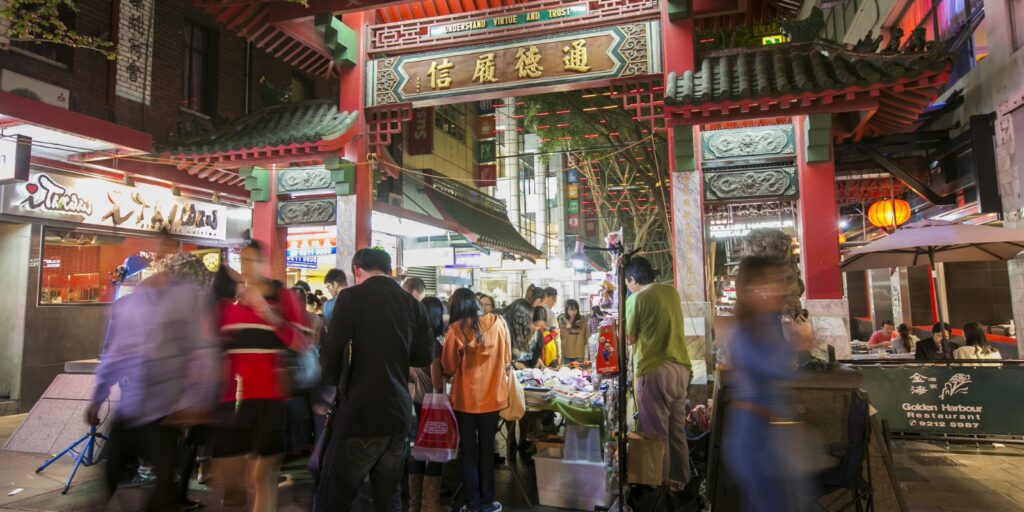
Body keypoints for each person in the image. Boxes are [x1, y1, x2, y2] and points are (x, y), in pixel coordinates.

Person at [86, 249, 219, 512]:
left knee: (161, 485)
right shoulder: (139, 302)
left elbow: (201, 352)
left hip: (162, 409)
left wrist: (194, 399)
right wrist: (97, 397)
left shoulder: (183, 304)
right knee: (113, 477)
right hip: (136, 407)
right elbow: (117, 353)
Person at [313, 248, 434, 512]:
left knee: (332, 497)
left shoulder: (351, 298)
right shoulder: (412, 304)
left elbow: (331, 354)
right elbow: (423, 355)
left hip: (360, 412)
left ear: (357, 270)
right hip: (398, 416)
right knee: (388, 498)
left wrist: (332, 384)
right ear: (388, 270)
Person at [212, 241, 308, 511]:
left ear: (263, 263)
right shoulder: (229, 305)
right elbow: (221, 353)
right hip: (237, 402)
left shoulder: (282, 297)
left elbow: (302, 343)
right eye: (242, 261)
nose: (246, 267)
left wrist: (267, 312)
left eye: (252, 260)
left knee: (261, 477)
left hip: (271, 398)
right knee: (240, 479)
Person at [724, 255, 813, 512]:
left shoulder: (769, 322)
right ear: (751, 289)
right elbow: (773, 366)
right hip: (755, 435)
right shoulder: (744, 330)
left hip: (775, 433)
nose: (779, 289)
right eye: (770, 282)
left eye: (780, 281)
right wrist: (797, 346)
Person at [624, 256, 692, 495]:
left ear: (633, 280)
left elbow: (629, 337)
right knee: (676, 431)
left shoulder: (636, 298)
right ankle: (682, 484)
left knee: (655, 434)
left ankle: (659, 490)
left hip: (654, 371)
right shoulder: (670, 291)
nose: (628, 287)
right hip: (681, 369)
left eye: (627, 282)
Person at [441, 289, 510, 512]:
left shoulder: (455, 330)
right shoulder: (499, 323)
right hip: (493, 398)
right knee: (487, 449)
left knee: (468, 451)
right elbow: (507, 359)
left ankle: (472, 504)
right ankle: (488, 502)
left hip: (466, 400)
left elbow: (448, 366)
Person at [409, 297, 448, 512]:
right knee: (434, 451)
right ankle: (431, 506)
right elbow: (436, 381)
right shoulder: (434, 344)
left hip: (416, 399)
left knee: (418, 449)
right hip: (431, 402)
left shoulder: (413, 338)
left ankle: (414, 505)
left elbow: (409, 371)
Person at [507, 299, 542, 369]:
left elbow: (534, 358)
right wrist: (514, 363)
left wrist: (537, 361)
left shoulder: (537, 335)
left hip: (528, 373)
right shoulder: (508, 332)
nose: (537, 328)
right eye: (535, 324)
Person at [558, 299, 590, 363]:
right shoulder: (561, 322)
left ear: (577, 310)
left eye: (575, 309)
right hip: (565, 355)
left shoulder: (583, 321)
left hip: (579, 356)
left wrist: (586, 356)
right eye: (570, 309)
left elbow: (587, 340)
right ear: (566, 310)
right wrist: (559, 355)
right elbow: (558, 339)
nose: (573, 312)